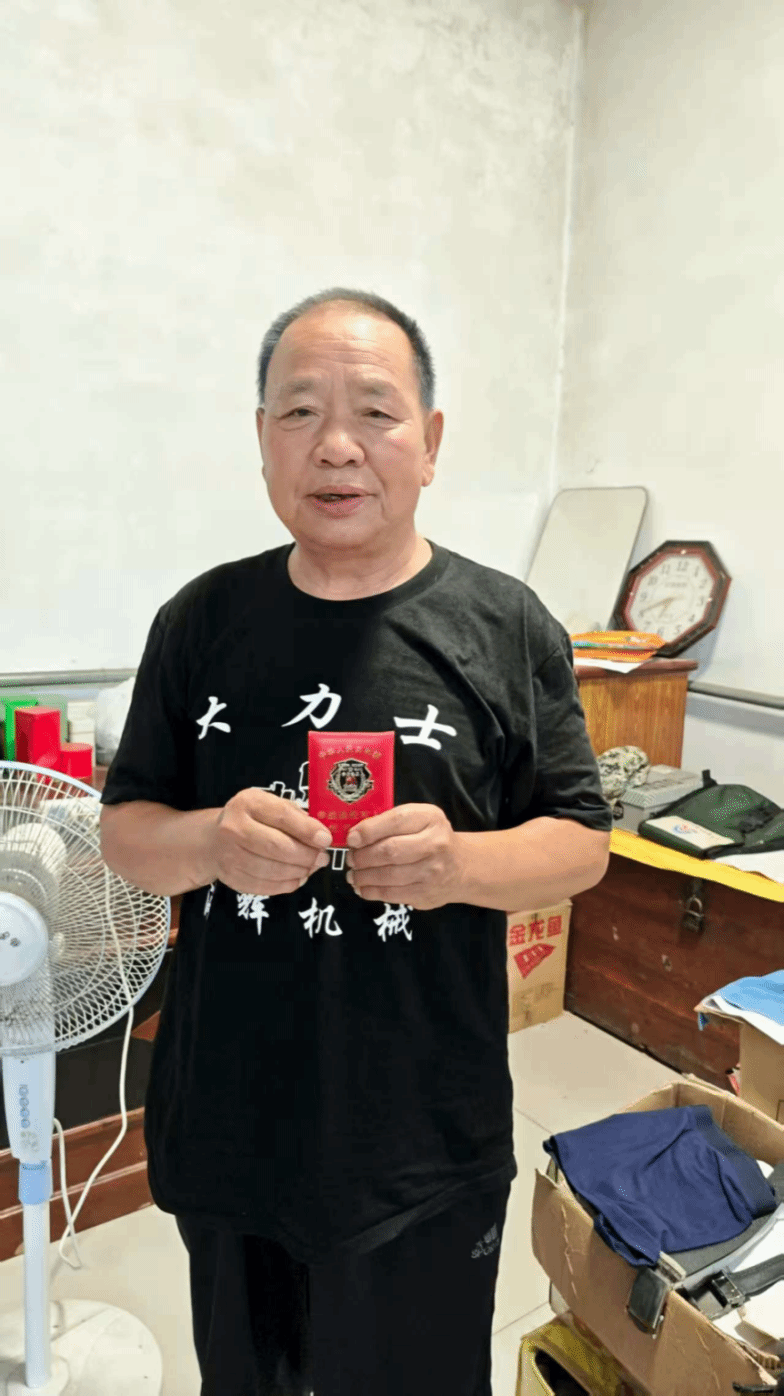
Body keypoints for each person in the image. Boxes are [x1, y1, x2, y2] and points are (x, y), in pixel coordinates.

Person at [100, 288, 612, 1396]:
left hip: (423, 1135)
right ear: (262, 440)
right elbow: (126, 836)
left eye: (375, 411)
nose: (336, 445)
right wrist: (212, 841)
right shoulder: (200, 620)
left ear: (430, 441)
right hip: (229, 1120)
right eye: (299, 412)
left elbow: (582, 844)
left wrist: (458, 864)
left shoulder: (507, 625)